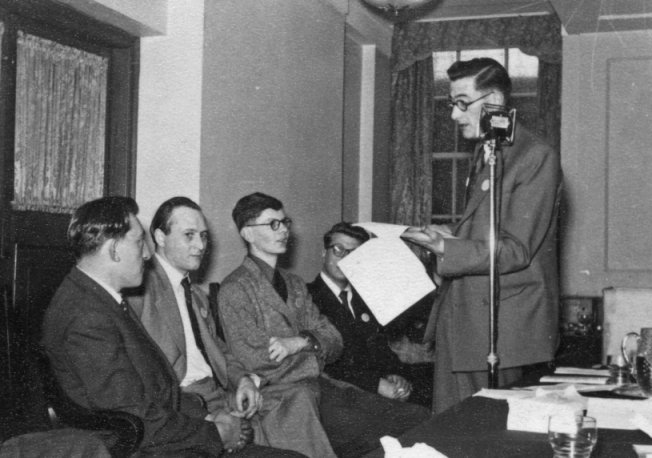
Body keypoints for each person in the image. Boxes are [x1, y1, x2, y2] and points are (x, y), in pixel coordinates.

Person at [41, 196, 301, 457]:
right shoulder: (87, 316)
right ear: (114, 249)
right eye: (139, 242)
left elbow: (151, 394)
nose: (147, 253)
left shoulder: (98, 300)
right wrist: (217, 433)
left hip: (174, 426)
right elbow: (132, 416)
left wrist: (207, 416)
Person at [402, 57, 562, 414]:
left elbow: (516, 250)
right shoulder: (487, 150)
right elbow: (487, 229)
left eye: (462, 103)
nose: (454, 115)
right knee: (450, 429)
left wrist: (447, 248)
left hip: (500, 328)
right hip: (464, 319)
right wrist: (449, 236)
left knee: (480, 432)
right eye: (452, 104)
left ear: (494, 100)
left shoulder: (534, 156)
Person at [219, 192, 431, 458]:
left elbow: (334, 340)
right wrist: (315, 354)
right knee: (390, 432)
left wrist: (300, 342)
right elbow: (257, 361)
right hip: (288, 400)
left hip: (324, 388)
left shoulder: (294, 283)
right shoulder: (235, 289)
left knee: (418, 417)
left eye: (285, 222)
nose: (284, 230)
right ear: (248, 233)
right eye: (273, 224)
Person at [127, 196, 324, 457]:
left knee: (296, 402)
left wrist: (242, 380)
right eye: (189, 235)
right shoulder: (140, 290)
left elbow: (219, 349)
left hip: (220, 394)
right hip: (185, 403)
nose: (200, 245)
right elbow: (138, 372)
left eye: (203, 236)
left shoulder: (196, 295)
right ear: (160, 237)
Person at [307, 222, 419, 402]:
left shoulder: (367, 297)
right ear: (323, 252)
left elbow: (380, 346)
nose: (345, 259)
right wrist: (376, 384)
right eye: (338, 250)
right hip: (337, 394)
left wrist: (394, 374)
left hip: (377, 391)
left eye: (354, 254)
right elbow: (320, 361)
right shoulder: (307, 297)